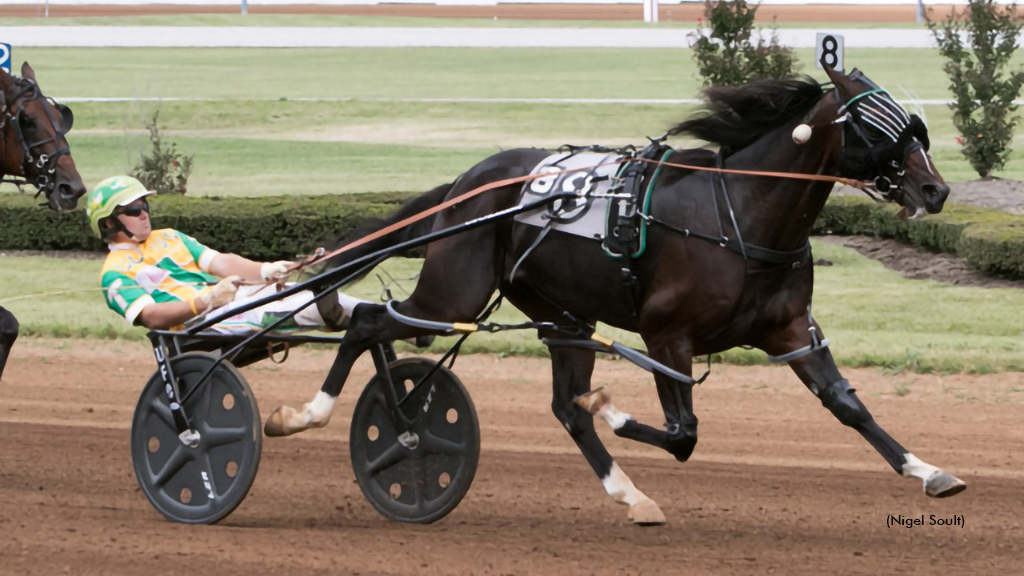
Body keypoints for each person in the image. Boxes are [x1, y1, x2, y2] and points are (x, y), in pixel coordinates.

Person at [87, 175, 363, 334]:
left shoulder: (169, 236)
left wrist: (267, 270)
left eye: (144, 204)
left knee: (298, 290)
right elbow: (152, 317)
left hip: (231, 303)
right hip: (200, 325)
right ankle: (334, 315)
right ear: (109, 222)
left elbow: (221, 262)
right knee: (302, 304)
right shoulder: (115, 273)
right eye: (133, 209)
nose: (144, 212)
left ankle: (385, 318)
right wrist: (205, 300)